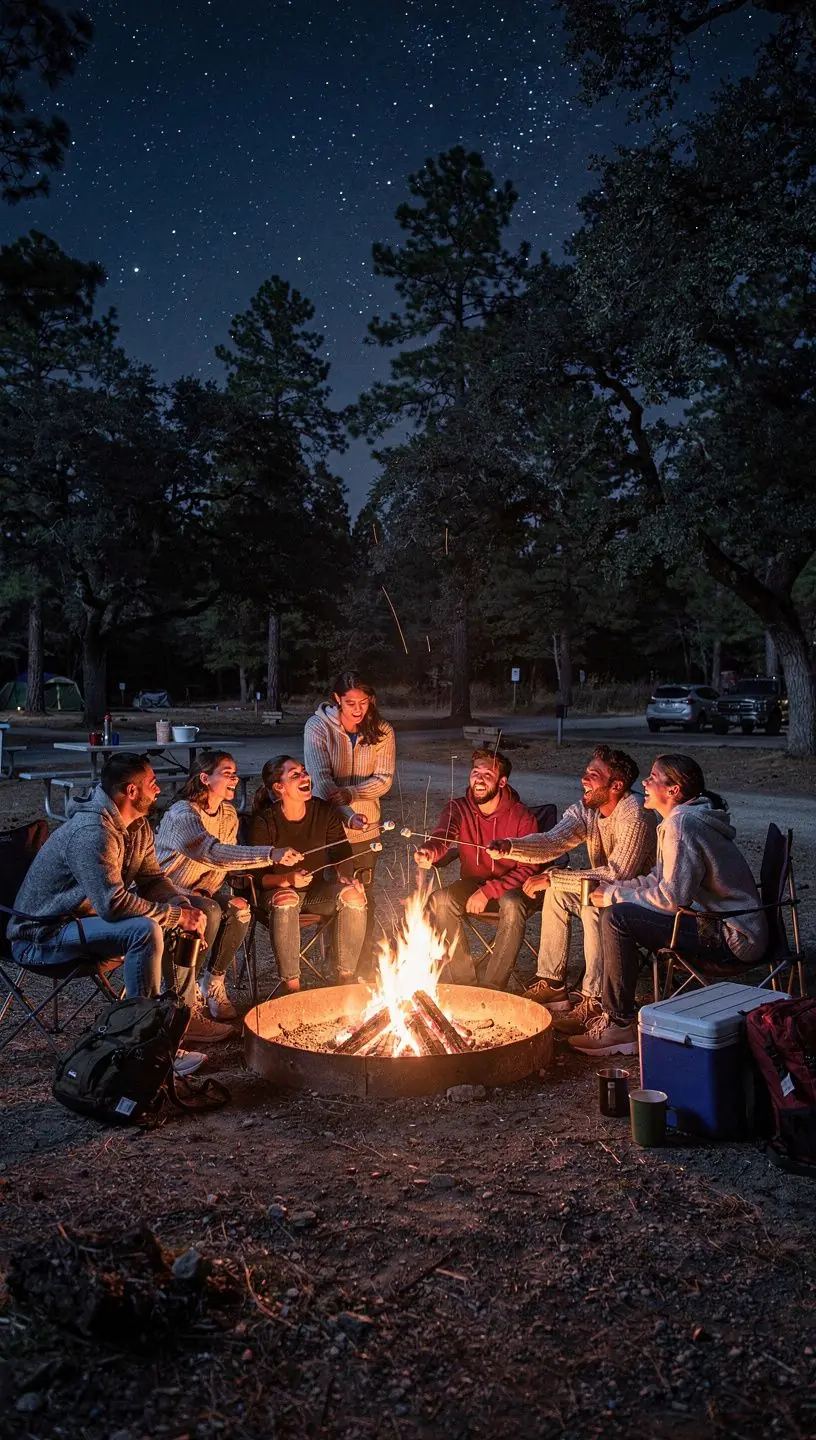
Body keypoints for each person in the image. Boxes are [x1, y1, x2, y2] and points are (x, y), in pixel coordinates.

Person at [7, 752, 210, 1076]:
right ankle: (144, 1048)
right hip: (43, 936)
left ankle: (178, 1021)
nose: (159, 789)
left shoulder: (138, 826)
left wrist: (180, 905)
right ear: (131, 791)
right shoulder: (92, 832)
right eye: (152, 783)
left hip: (83, 923)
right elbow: (113, 904)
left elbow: (152, 879)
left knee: (178, 919)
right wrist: (173, 915)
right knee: (144, 930)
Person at [568, 754, 768, 1058]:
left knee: (617, 917)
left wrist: (613, 897)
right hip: (723, 924)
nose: (645, 783)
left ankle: (620, 1024)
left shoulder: (682, 825)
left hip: (733, 936)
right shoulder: (680, 820)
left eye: (652, 778)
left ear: (673, 790)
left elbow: (672, 899)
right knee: (618, 910)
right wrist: (616, 889)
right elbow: (658, 880)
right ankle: (618, 1018)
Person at [488, 746, 656, 1033]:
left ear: (616, 786)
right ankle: (553, 983)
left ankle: (595, 999)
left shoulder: (636, 813)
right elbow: (552, 841)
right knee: (560, 893)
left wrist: (554, 878)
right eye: (586, 772)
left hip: (636, 900)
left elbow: (618, 875)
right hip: (602, 892)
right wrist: (510, 846)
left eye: (593, 775)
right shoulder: (588, 809)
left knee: (589, 902)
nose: (583, 779)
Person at [155, 750, 302, 1024]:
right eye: (227, 773)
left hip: (202, 894)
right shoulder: (183, 814)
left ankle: (212, 984)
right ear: (204, 778)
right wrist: (270, 854)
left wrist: (271, 875)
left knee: (239, 908)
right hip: (168, 894)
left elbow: (227, 858)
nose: (235, 778)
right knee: (209, 910)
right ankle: (182, 993)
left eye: (235, 773)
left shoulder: (228, 813)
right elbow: (211, 852)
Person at [414, 749, 540, 990]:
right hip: (472, 885)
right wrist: (430, 851)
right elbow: (442, 835)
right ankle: (465, 984)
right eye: (475, 773)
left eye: (487, 775)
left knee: (512, 904)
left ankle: (493, 988)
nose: (479, 780)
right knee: (441, 900)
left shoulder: (523, 817)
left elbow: (529, 868)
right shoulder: (458, 808)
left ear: (502, 782)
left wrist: (488, 891)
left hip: (513, 889)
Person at [245, 755, 367, 991]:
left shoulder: (323, 811)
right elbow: (259, 878)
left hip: (315, 894)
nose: (305, 777)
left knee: (354, 896)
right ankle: (292, 987)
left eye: (304, 771)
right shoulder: (264, 821)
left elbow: (342, 852)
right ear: (279, 787)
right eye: (295, 775)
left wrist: (346, 876)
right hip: (274, 894)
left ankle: (345, 982)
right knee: (287, 898)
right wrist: (288, 879)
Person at [303, 672, 395, 966]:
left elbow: (384, 779)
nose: (358, 709)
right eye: (351, 702)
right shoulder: (318, 727)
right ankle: (336, 965)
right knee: (336, 895)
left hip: (367, 830)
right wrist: (347, 814)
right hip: (328, 827)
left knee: (364, 894)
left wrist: (351, 794)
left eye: (363, 702)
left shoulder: (381, 730)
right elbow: (321, 781)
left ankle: (361, 964)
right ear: (337, 699)